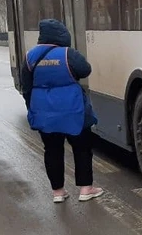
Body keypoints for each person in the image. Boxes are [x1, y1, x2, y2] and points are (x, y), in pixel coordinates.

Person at [20, 19, 103, 204]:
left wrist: (32, 108)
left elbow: (26, 87)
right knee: (81, 148)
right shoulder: (68, 54)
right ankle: (85, 189)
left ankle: (58, 192)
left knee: (52, 150)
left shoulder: (30, 57)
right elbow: (85, 70)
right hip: (73, 110)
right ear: (62, 34)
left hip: (44, 113)